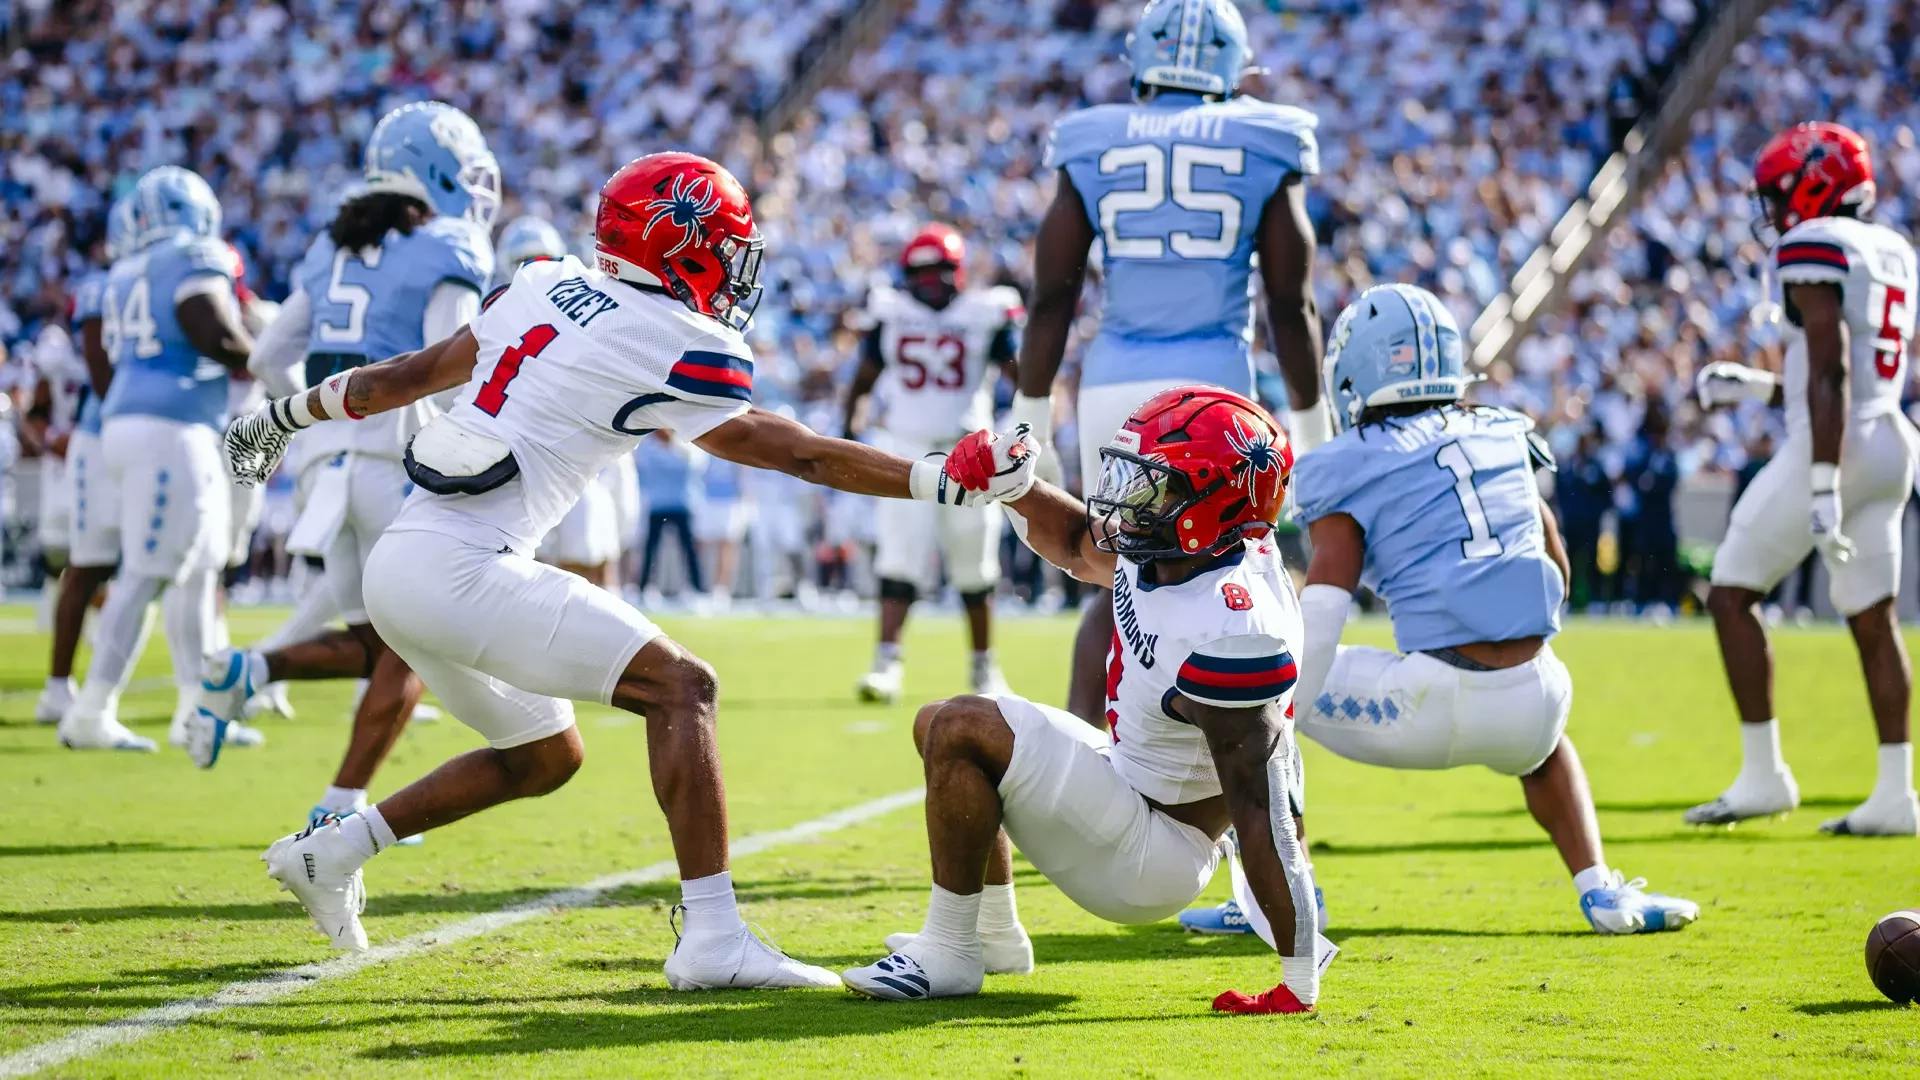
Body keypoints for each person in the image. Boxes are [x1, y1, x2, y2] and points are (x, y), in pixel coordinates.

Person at [218, 152, 1039, 990]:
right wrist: (933, 476)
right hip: (463, 569)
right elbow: (793, 453)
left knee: (544, 755)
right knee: (682, 687)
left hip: (406, 562)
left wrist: (280, 417)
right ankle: (715, 939)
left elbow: (403, 379)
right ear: (676, 245)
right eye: (720, 246)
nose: (729, 268)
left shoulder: (539, 283)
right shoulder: (667, 337)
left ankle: (333, 853)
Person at [1181, 284, 1699, 936]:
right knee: (1544, 748)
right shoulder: (1500, 432)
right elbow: (1557, 563)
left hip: (1427, 702)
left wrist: (1272, 714)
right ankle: (1599, 890)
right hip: (1538, 694)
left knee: (1259, 701)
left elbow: (1323, 618)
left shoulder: (1348, 461)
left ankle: (1286, 893)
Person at [843, 386, 1332, 1012]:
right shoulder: (1191, 547)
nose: (1135, 496)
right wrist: (1011, 485)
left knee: (965, 725)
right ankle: (990, 937)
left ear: (1216, 502)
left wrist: (1298, 980)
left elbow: (1263, 810)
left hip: (1154, 852)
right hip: (1132, 786)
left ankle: (948, 952)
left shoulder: (1232, 629)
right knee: (938, 722)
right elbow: (1077, 544)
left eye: (1161, 484)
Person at [189, 99, 500, 863]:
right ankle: (340, 809)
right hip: (400, 455)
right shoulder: (446, 245)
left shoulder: (330, 249)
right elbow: (449, 364)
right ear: (436, 175)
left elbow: (267, 360)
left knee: (376, 641)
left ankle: (251, 668)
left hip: (326, 464)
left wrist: (319, 417)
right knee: (414, 644)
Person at [1007, 0, 1328, 726]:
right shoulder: (1266, 134)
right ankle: (1242, 779)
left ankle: (1091, 762)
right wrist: (1315, 430)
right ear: (1233, 66)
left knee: (1117, 578)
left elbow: (1052, 295)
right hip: (1216, 391)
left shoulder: (1093, 136)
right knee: (1232, 577)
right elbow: (1290, 302)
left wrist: (1027, 414)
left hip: (1116, 387)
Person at [1689, 122, 1919, 836]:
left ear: (1815, 182)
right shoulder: (1893, 249)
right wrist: (1758, 388)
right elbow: (1840, 373)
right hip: (1889, 443)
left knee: (1730, 593)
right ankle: (1895, 792)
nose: (1774, 209)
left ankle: (1765, 775)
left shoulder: (1814, 245)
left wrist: (1822, 481)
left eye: (1780, 192)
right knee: (1872, 617)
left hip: (1838, 448)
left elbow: (1829, 367)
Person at [59, 166, 257, 752]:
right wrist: (261, 354)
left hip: (140, 421)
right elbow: (212, 332)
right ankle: (91, 709)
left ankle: (194, 707)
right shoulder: (192, 256)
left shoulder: (124, 269)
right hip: (170, 427)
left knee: (197, 569)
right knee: (148, 571)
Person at [842, 224, 1022, 701]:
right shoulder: (890, 310)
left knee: (975, 565)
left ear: (958, 272)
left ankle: (985, 669)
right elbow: (865, 372)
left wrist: (1026, 427)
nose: (931, 281)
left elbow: (1020, 376)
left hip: (970, 449)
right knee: (898, 558)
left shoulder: (987, 312)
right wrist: (847, 422)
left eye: (940, 271)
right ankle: (887, 664)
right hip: (905, 446)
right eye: (922, 272)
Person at [35, 195, 137, 725]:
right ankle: (63, 688)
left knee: (151, 566)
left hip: (126, 432)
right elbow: (100, 366)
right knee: (93, 562)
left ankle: (88, 692)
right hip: (106, 434)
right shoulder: (108, 285)